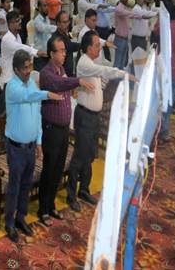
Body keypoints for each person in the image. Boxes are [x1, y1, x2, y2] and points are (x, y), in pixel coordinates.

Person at [67, 30, 130, 212]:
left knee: (89, 155)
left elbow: (101, 79)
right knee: (79, 156)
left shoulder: (92, 63)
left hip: (92, 117)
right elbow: (104, 70)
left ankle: (84, 189)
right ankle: (72, 195)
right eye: (96, 45)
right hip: (85, 116)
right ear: (88, 48)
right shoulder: (85, 63)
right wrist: (121, 73)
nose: (99, 48)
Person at [4, 49, 62, 243]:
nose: (29, 71)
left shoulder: (31, 85)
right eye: (25, 68)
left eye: (30, 67)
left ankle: (21, 218)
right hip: (16, 148)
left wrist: (38, 142)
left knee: (26, 185)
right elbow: (30, 97)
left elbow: (37, 115)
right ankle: (9, 223)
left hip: (29, 147)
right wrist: (47, 94)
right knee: (14, 186)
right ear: (15, 69)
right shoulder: (12, 88)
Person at [38, 35, 94, 226]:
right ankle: (43, 209)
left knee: (59, 168)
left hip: (62, 130)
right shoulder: (46, 73)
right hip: (51, 129)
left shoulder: (62, 69)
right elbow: (59, 84)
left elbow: (65, 82)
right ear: (51, 54)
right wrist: (77, 81)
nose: (64, 54)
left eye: (64, 50)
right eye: (60, 51)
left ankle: (51, 205)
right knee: (49, 169)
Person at [155, 0, 175, 143]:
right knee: (169, 101)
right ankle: (165, 131)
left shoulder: (165, 26)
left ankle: (156, 130)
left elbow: (154, 29)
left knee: (159, 99)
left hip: (163, 67)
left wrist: (160, 17)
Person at [0, 10, 45, 83]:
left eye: (19, 20)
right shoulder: (7, 39)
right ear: (10, 24)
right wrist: (36, 52)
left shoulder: (17, 36)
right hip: (9, 81)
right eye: (17, 21)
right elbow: (20, 48)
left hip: (17, 79)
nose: (20, 22)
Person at [51, 11, 79, 77]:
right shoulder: (56, 38)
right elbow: (70, 46)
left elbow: (69, 41)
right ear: (58, 23)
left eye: (68, 22)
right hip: (62, 74)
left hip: (69, 71)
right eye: (64, 22)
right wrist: (83, 44)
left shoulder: (63, 32)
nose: (67, 24)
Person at [32, 0, 57, 71]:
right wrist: (57, 27)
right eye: (45, 6)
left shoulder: (47, 19)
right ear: (39, 8)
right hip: (40, 57)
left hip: (47, 55)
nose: (47, 8)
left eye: (47, 6)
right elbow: (44, 28)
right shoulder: (37, 20)